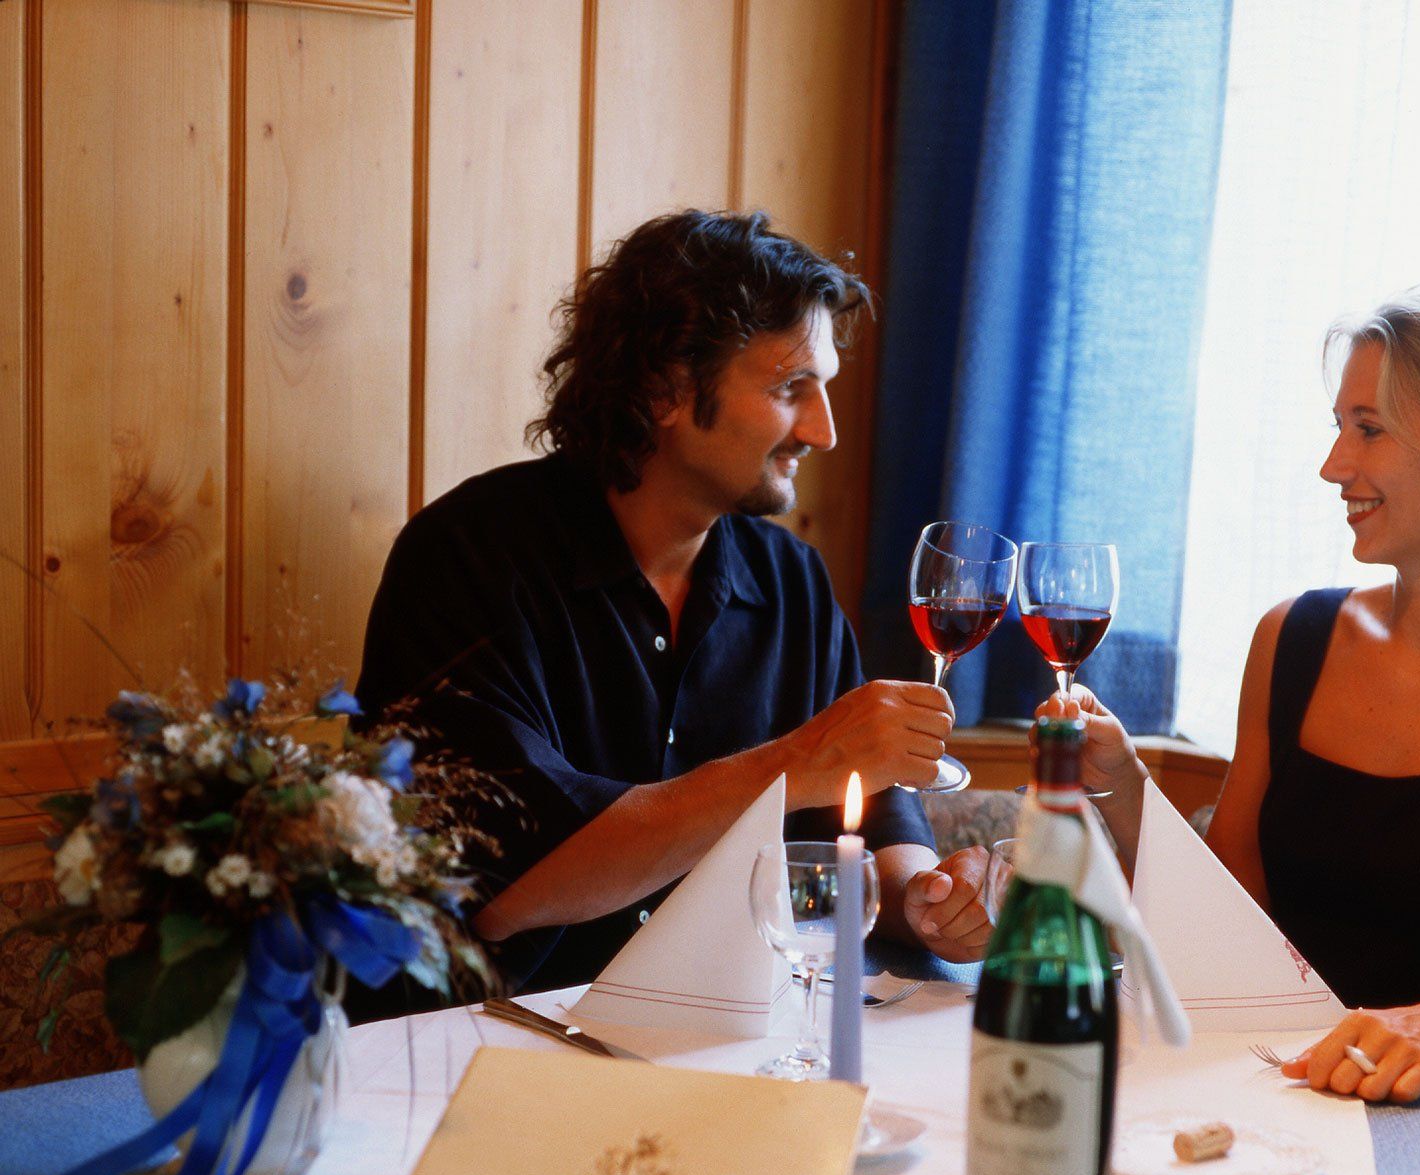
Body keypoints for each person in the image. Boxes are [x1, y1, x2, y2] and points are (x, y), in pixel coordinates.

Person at [353, 210, 992, 1016]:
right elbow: (510, 890)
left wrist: (923, 899)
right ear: (666, 389)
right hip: (497, 1035)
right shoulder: (467, 559)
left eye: (825, 387)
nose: (824, 431)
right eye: (790, 388)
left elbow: (863, 822)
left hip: (732, 1030)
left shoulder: (791, 579)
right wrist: (796, 761)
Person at [1049, 287, 1420, 1103]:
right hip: (1283, 1093)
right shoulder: (1290, 637)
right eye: (1338, 426)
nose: (1334, 465)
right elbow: (1232, 929)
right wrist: (1125, 790)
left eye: (1369, 429)